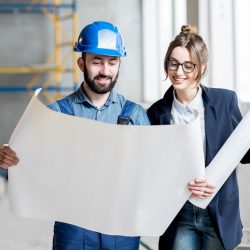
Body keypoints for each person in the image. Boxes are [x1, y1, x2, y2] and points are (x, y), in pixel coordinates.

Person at [0, 21, 150, 250]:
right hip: (73, 227)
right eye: (96, 62)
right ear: (82, 63)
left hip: (122, 226)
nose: (104, 71)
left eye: (112, 62)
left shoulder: (135, 115)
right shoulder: (56, 114)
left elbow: (150, 172)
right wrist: (9, 159)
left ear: (120, 64)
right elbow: (28, 168)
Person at [147, 25, 250, 250]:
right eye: (173, 63)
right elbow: (153, 170)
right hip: (179, 214)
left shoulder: (225, 102)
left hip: (217, 212)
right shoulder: (156, 113)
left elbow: (245, 155)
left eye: (188, 65)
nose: (178, 72)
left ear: (201, 68)